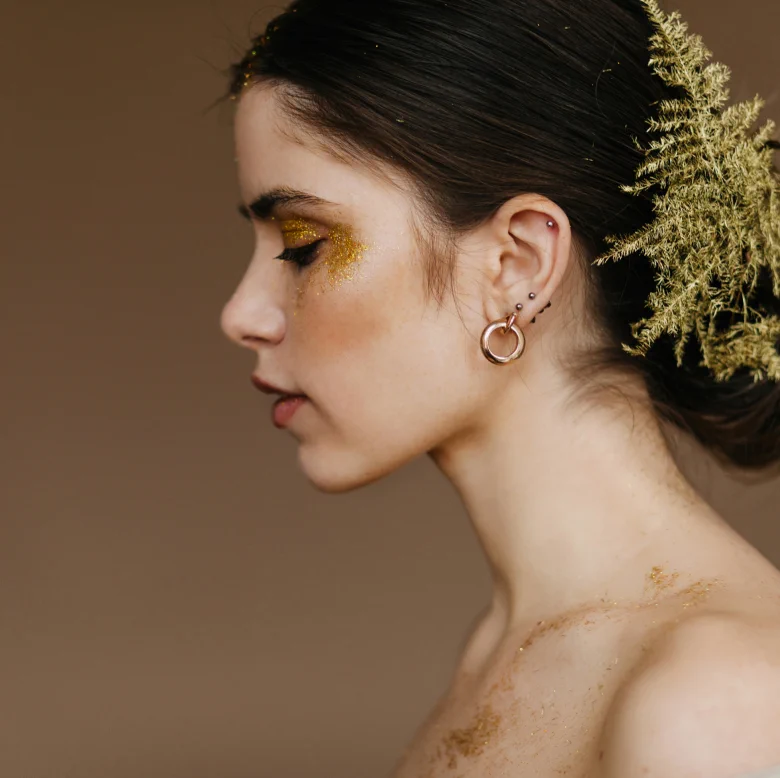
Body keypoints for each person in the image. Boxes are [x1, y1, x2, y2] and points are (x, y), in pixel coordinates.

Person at [217, 0, 780, 775]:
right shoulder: (500, 652)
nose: (241, 314)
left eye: (303, 245)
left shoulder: (717, 700)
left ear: (518, 267)